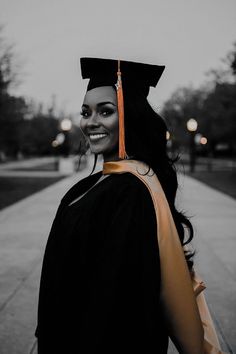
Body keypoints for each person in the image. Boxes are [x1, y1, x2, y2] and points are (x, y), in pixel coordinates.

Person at [35, 58, 222, 354]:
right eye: (86, 112)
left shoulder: (131, 191)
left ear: (130, 116)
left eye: (105, 111)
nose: (90, 122)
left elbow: (118, 299)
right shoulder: (94, 184)